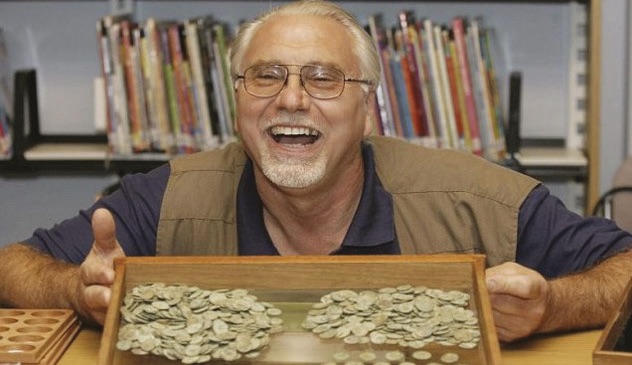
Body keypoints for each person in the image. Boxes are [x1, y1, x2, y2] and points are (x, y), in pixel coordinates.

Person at [1, 0, 631, 344]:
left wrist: (552, 306)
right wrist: (74, 292)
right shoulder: (168, 197)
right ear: (238, 100)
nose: (292, 99)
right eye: (266, 76)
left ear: (367, 109)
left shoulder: (479, 199)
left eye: (325, 78)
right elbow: (13, 264)